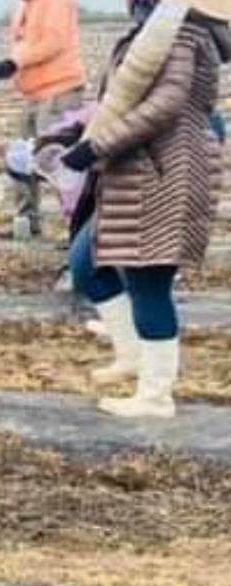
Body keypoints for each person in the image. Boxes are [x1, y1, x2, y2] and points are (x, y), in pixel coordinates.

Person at [61, 0, 230, 418]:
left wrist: (96, 147)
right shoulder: (155, 36)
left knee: (149, 282)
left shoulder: (181, 37)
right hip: (137, 171)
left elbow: (165, 106)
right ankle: (132, 356)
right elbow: (121, 98)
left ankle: (155, 396)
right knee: (86, 263)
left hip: (166, 173)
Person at [0, 0, 87, 239]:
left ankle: (78, 228)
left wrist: (14, 63)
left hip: (60, 91)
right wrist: (2, 69)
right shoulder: (26, 5)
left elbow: (53, 42)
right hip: (35, 94)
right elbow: (25, 45)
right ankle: (27, 222)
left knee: (60, 163)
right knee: (21, 158)